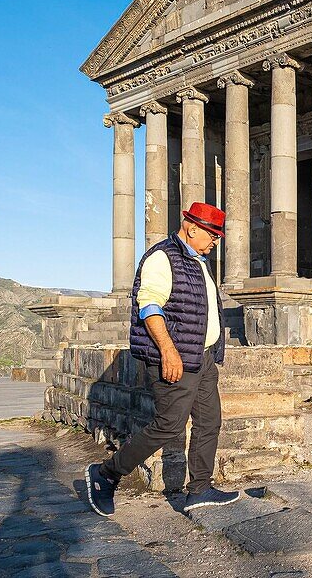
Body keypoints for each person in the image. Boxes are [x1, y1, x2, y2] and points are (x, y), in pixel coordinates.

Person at [85, 202, 241, 517]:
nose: (214, 243)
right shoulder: (163, 257)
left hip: (203, 356)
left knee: (209, 422)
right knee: (169, 425)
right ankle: (106, 474)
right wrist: (169, 351)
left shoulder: (198, 260)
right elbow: (149, 306)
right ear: (192, 227)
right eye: (212, 236)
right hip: (176, 357)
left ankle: (199, 490)